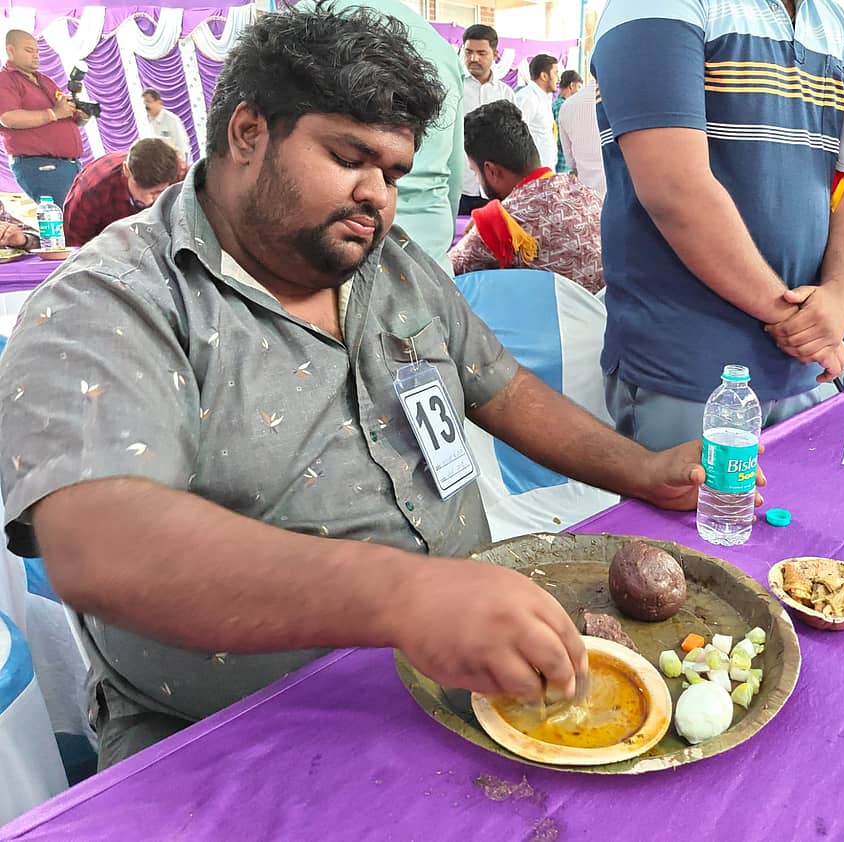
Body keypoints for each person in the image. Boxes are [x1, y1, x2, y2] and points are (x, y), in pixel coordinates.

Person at [0, 6, 752, 770]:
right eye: (349, 157)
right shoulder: (114, 297)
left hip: (469, 678)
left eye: (393, 173)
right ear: (248, 132)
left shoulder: (389, 262)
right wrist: (406, 597)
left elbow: (501, 388)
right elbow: (103, 543)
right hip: (240, 739)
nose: (377, 196)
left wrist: (641, 469)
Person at [592, 0, 844, 451]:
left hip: (806, 365)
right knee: (696, 498)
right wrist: (802, 323)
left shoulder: (833, 22)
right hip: (692, 368)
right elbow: (674, 189)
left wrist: (840, 295)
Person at [326, 0, 465, 276]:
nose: (378, 195)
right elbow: (453, 176)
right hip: (428, 256)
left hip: (339, 260)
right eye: (347, 160)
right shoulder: (439, 47)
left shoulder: (305, 24)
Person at [450, 100, 604, 294]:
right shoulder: (585, 192)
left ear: (491, 171)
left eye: (475, 171)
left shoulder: (499, 223)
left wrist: (482, 227)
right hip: (604, 308)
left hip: (551, 312)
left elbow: (444, 273)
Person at [0, 30, 93, 207]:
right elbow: (8, 118)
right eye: (29, 51)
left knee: (81, 215)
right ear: (10, 50)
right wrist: (54, 113)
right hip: (41, 165)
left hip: (69, 165)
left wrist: (80, 116)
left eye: (37, 51)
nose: (36, 56)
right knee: (65, 216)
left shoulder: (44, 80)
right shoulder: (5, 80)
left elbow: (64, 112)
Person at [63, 138, 182, 246]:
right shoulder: (91, 191)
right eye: (140, 187)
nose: (148, 201)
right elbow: (76, 247)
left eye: (158, 192)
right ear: (126, 170)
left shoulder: (182, 179)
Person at [459, 24, 515, 216]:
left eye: (481, 53)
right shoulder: (455, 89)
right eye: (469, 52)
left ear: (495, 54)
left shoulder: (505, 94)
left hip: (495, 187)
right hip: (460, 186)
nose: (474, 58)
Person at [558, 77, 606, 195]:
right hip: (620, 196)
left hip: (585, 195)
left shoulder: (567, 106)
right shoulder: (624, 101)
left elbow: (571, 162)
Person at [514, 54, 559, 171]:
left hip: (544, 169)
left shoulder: (544, 98)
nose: (558, 79)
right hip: (532, 171)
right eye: (555, 73)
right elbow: (516, 136)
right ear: (544, 76)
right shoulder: (528, 97)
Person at [141, 88, 192, 164]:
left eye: (148, 102)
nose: (146, 106)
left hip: (174, 164)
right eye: (144, 103)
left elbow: (183, 146)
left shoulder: (172, 120)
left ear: (159, 103)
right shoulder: (145, 121)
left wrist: (184, 166)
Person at [552, 69, 582, 174]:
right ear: (572, 85)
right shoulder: (563, 106)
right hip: (562, 162)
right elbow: (563, 137)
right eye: (579, 87)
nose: (579, 92)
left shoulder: (557, 104)